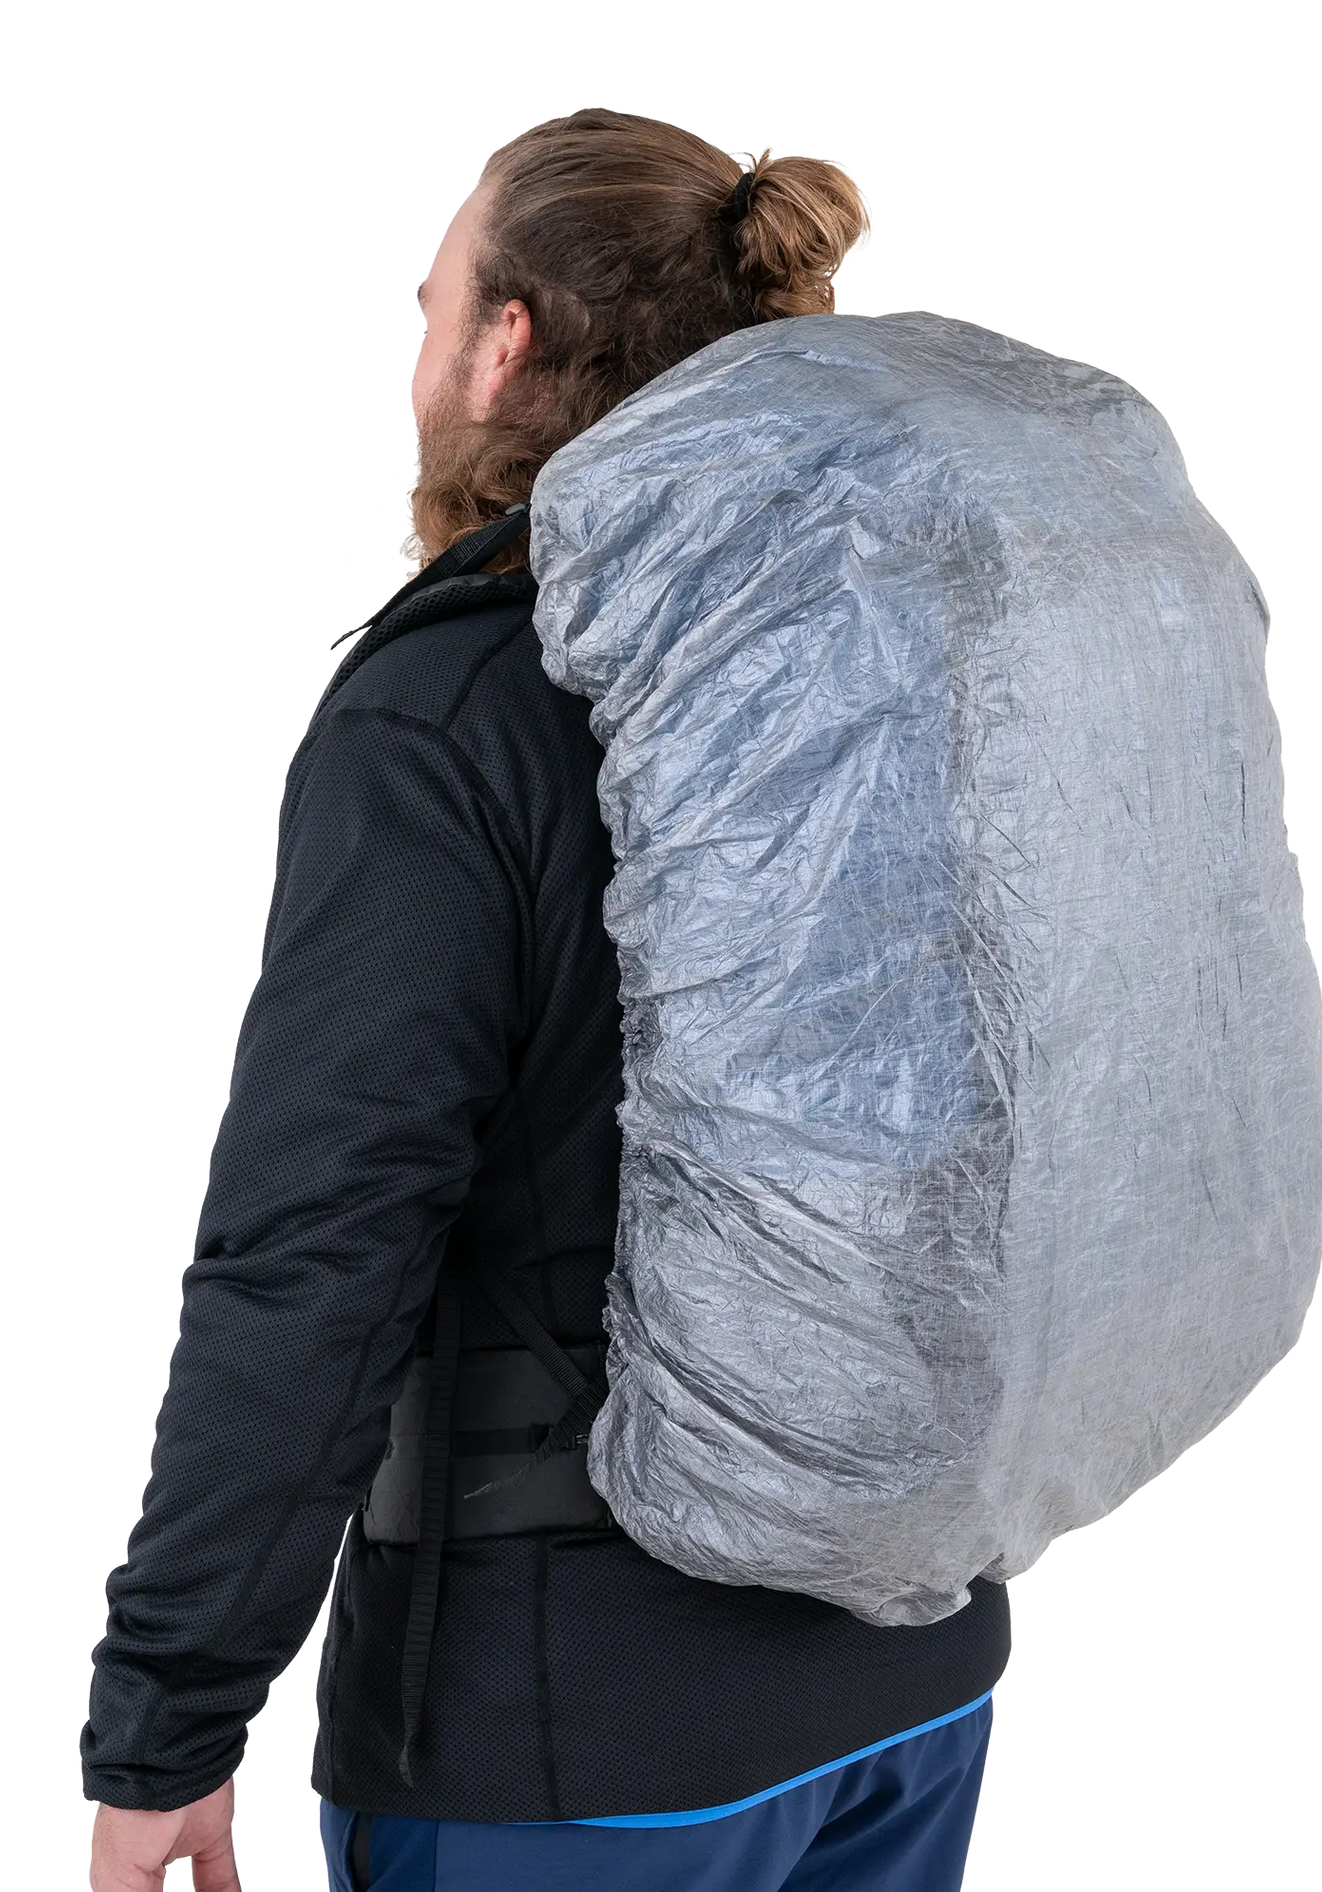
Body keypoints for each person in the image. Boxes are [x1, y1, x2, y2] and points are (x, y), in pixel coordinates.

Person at [81, 105, 1012, 1892]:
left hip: (571, 1733)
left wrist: (166, 1723)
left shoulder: (450, 714)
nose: (420, 357)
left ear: (505, 342)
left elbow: (314, 1250)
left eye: (429, 312)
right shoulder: (890, 655)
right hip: (910, 1665)